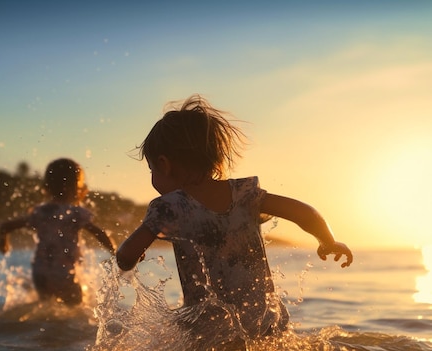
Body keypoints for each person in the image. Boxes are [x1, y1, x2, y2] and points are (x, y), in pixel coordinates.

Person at [115, 94, 353, 340]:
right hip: (265, 322)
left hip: (209, 331)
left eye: (151, 169)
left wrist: (133, 255)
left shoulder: (169, 207)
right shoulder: (245, 196)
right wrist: (327, 240)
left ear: (164, 165)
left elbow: (124, 256)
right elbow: (304, 212)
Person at [0, 158, 116, 306]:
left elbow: (6, 226)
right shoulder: (75, 213)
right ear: (75, 188)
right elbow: (99, 233)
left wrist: (3, 243)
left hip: (40, 273)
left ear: (46, 187)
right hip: (65, 274)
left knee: (46, 309)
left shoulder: (40, 212)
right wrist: (115, 252)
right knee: (76, 308)